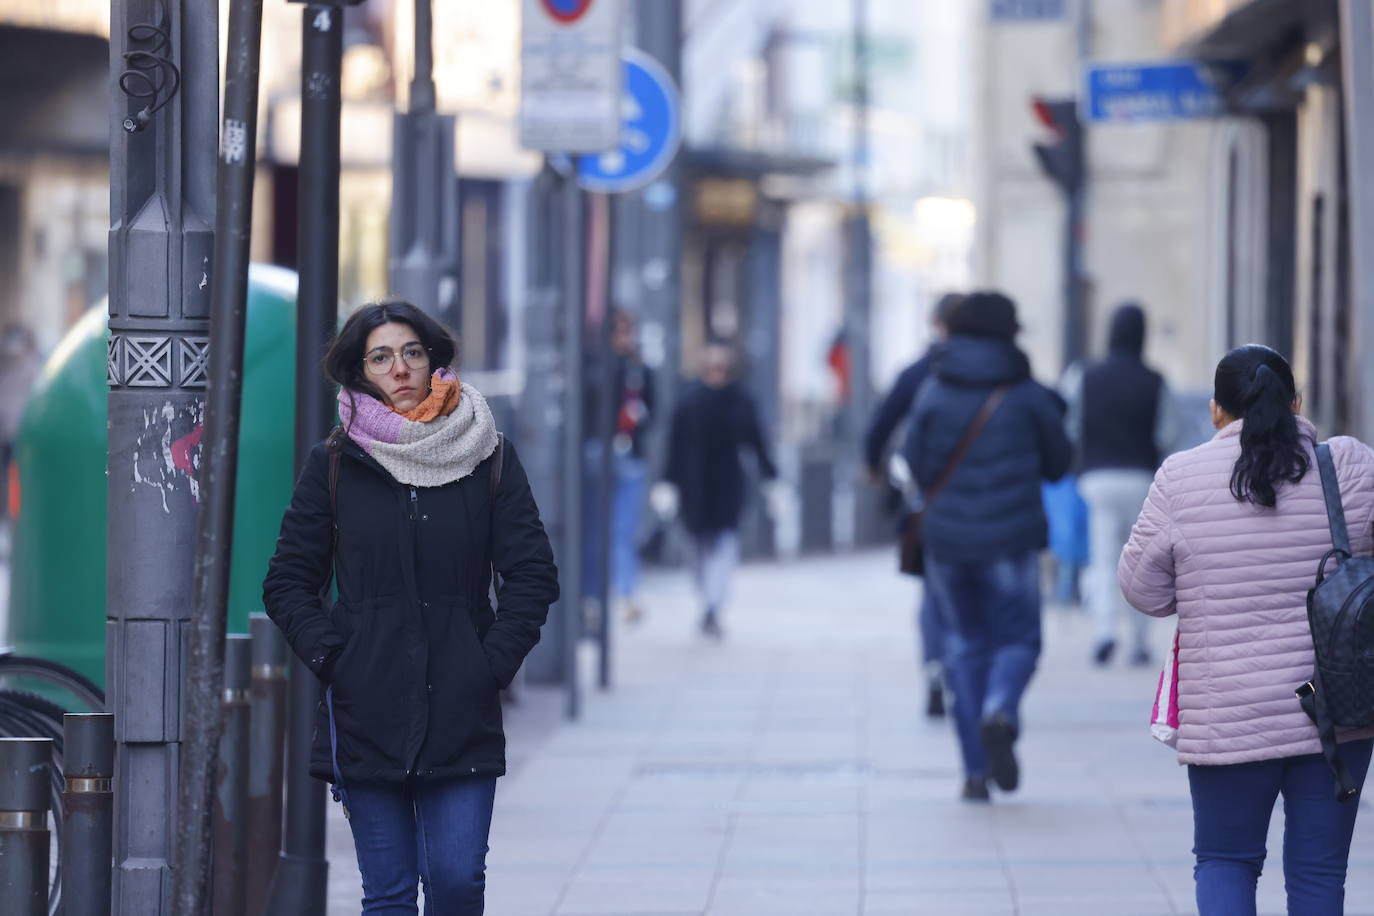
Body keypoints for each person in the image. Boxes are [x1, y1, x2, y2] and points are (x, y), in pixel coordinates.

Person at [262, 300, 559, 914]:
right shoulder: (336, 464)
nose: (399, 368)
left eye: (411, 352)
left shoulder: (489, 456)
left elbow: (531, 573)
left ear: (432, 361)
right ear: (359, 372)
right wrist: (337, 656)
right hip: (367, 704)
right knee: (390, 895)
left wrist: (491, 662)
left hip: (461, 699)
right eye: (381, 357)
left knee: (455, 881)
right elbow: (289, 580)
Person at [1119, 345, 1374, 915]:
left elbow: (1142, 589)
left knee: (1226, 860)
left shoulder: (1180, 479)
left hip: (1228, 713)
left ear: (1216, 412)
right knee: (1319, 872)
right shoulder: (1350, 466)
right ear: (1297, 404)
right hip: (1338, 709)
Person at [901, 291, 1072, 801]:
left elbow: (913, 461)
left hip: (948, 542)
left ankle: (974, 772)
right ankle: (1001, 706)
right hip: (1011, 539)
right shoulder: (1025, 393)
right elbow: (1060, 461)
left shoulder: (934, 388)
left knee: (962, 645)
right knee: (1018, 640)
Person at [864, 292, 964, 717]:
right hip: (992, 502)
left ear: (934, 322)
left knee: (935, 590)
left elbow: (881, 425)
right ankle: (977, 676)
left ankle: (936, 664)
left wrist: (873, 465)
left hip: (931, 500)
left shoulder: (917, 373)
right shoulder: (1005, 371)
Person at [1061, 302, 1177, 666]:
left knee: (1103, 557)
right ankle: (1140, 641)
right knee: (1143, 562)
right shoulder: (1155, 380)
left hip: (1097, 478)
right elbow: (1170, 432)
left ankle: (1105, 632)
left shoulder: (1084, 375)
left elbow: (1069, 425)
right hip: (1142, 478)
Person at [662, 342, 777, 638]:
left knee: (724, 546)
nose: (716, 373)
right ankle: (708, 600)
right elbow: (674, 446)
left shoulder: (740, 400)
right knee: (695, 549)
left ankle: (713, 605)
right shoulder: (688, 400)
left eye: (721, 367)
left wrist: (771, 478)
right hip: (694, 486)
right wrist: (668, 483)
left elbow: (757, 440)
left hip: (727, 485)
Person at [582, 309, 656, 624]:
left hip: (629, 454)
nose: (626, 338)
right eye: (619, 331)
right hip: (598, 451)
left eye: (629, 331)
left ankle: (626, 593)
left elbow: (653, 410)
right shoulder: (593, 366)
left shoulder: (639, 370)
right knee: (594, 529)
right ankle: (591, 599)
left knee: (622, 530)